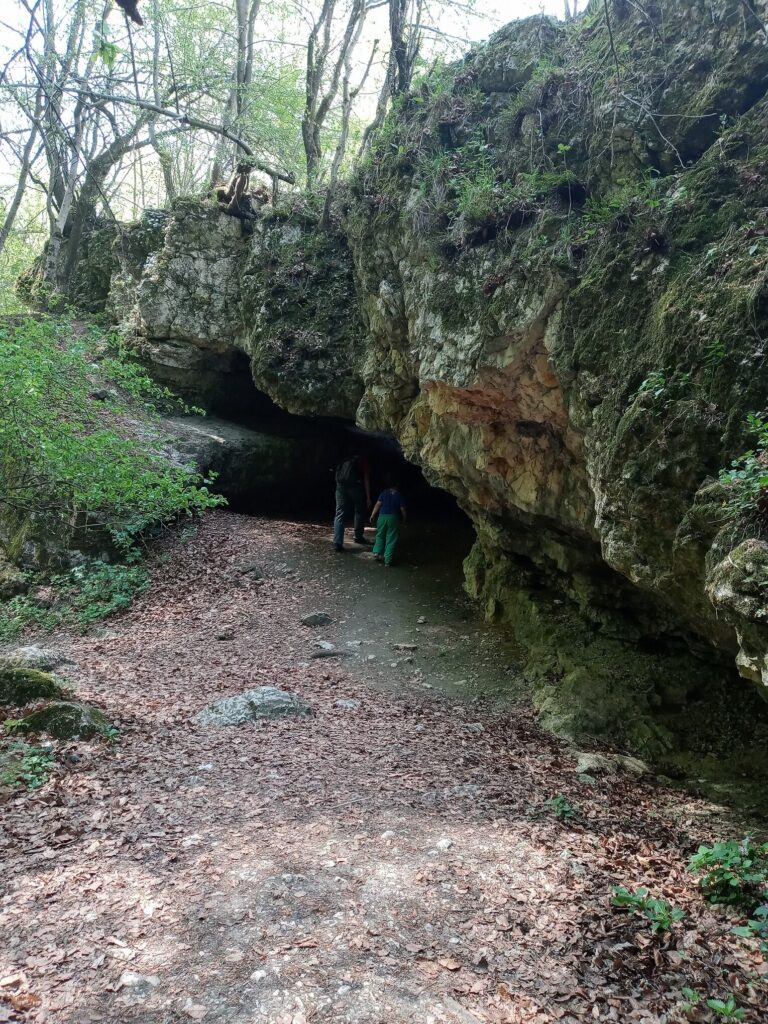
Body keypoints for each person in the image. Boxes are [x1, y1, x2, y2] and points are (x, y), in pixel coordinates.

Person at [333, 453, 371, 552]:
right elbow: (366, 479)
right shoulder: (362, 460)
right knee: (359, 509)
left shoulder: (344, 458)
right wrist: (368, 497)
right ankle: (358, 536)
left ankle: (337, 542)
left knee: (339, 513)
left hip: (340, 486)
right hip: (355, 486)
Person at [370, 479, 407, 566]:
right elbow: (402, 509)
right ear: (397, 485)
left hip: (382, 517)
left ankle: (377, 552)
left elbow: (378, 504)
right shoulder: (399, 495)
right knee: (391, 538)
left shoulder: (384, 493)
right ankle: (388, 560)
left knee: (380, 535)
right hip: (393, 518)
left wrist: (372, 515)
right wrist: (404, 518)